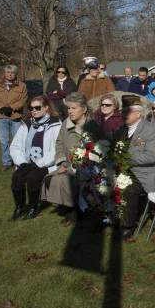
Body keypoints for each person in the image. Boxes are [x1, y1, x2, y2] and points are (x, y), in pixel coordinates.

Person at [41, 92, 101, 224]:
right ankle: (69, 209)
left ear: (84, 109)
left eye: (74, 108)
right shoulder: (65, 124)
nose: (70, 111)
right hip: (68, 163)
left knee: (68, 179)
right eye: (68, 108)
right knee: (53, 178)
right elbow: (60, 143)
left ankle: (75, 211)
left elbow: (96, 151)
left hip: (87, 166)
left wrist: (75, 165)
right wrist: (62, 162)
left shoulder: (92, 126)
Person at [112, 95, 155, 239]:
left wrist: (126, 159)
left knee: (127, 188)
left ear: (138, 114)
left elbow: (151, 156)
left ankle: (128, 225)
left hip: (141, 174)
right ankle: (109, 216)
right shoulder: (121, 130)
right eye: (122, 111)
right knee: (100, 180)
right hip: (120, 169)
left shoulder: (150, 130)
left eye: (127, 111)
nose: (123, 114)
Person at [9, 96, 62, 220]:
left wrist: (39, 163)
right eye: (31, 108)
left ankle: (34, 206)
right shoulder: (26, 124)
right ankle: (19, 207)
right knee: (17, 178)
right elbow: (15, 146)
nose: (34, 110)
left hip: (46, 164)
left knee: (33, 178)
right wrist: (21, 163)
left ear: (46, 108)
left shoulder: (55, 124)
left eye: (37, 108)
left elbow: (56, 149)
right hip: (27, 163)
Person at [0, 64, 29, 171]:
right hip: (1, 117)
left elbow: (23, 99)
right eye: (8, 72)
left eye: (12, 73)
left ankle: (18, 161)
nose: (10, 74)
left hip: (15, 116)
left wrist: (12, 108)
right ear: (4, 73)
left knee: (17, 140)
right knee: (4, 141)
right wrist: (2, 107)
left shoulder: (22, 85)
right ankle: (6, 162)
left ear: (15, 74)